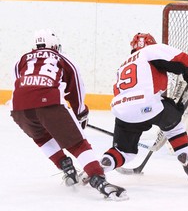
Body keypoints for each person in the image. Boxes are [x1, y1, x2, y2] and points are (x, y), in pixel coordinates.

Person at [10, 29, 127, 200]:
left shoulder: (20, 59)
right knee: (78, 144)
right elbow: (76, 88)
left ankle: (65, 166)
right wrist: (81, 113)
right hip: (49, 102)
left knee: (41, 137)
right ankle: (98, 179)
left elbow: (20, 86)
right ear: (54, 45)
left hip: (18, 106)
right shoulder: (62, 58)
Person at [97, 33, 188, 184]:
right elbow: (179, 58)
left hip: (122, 111)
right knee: (174, 128)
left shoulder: (122, 65)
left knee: (124, 152)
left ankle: (97, 169)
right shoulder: (149, 51)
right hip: (149, 105)